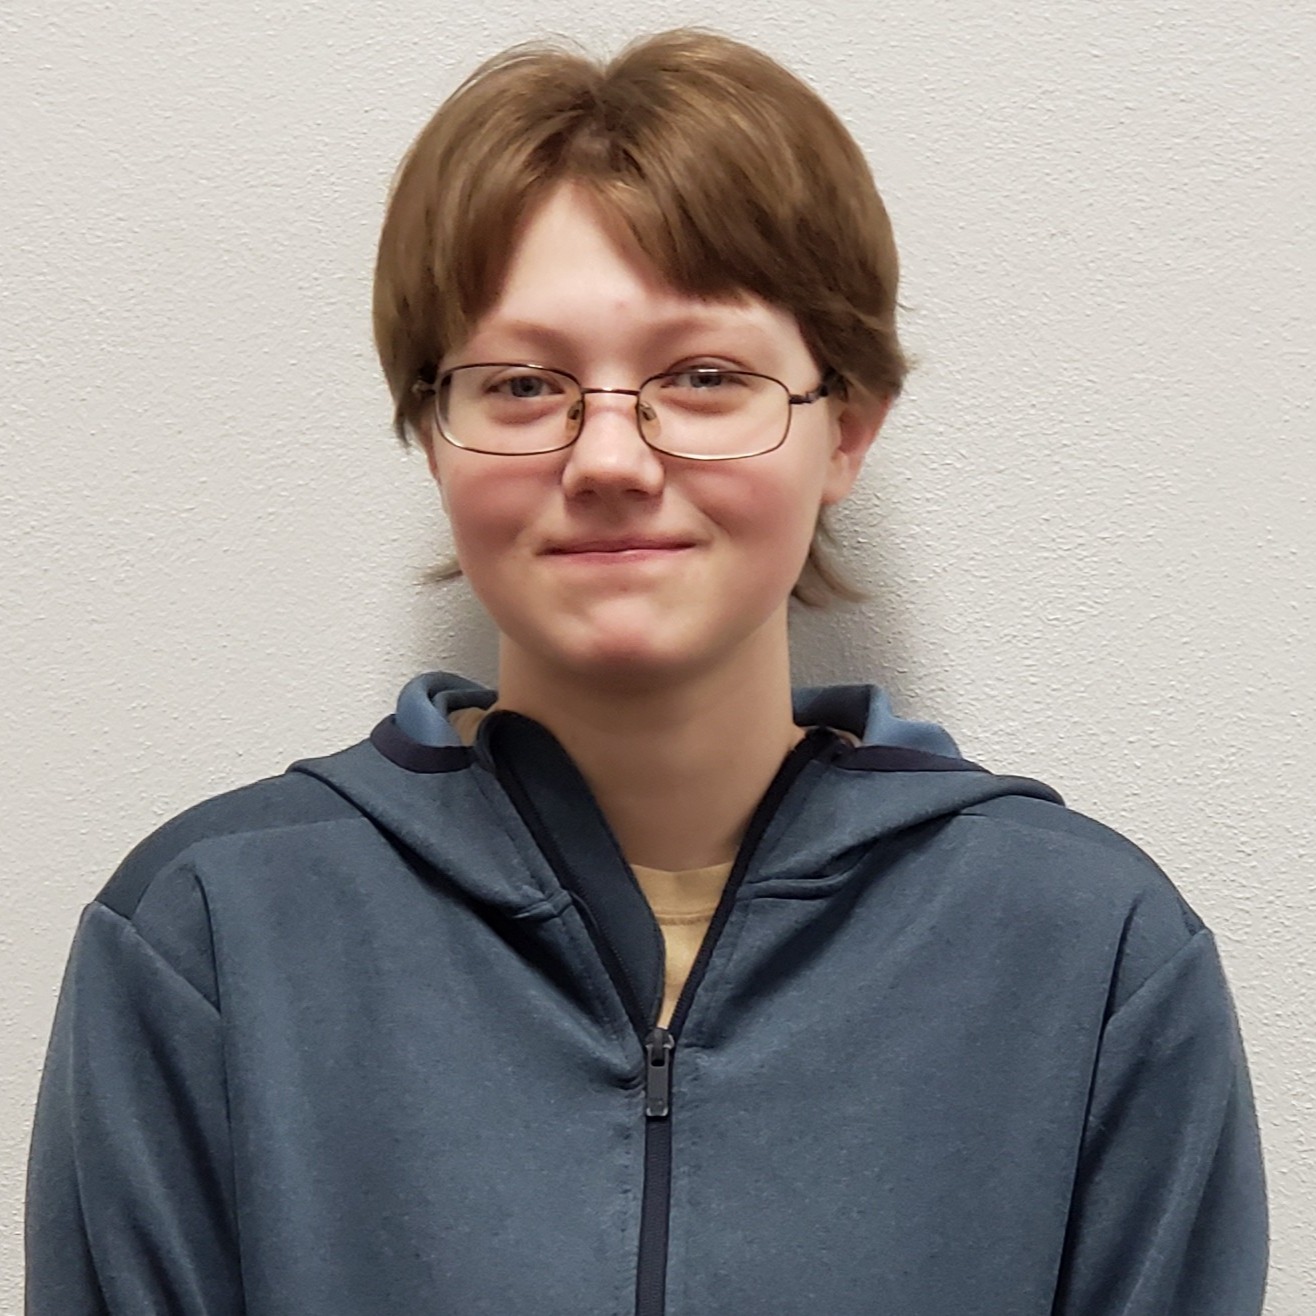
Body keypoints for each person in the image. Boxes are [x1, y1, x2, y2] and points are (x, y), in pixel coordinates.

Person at [26, 28, 1267, 1316]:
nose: (609, 455)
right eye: (522, 382)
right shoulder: (210, 934)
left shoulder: (1092, 953)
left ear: (845, 429)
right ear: (432, 434)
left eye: (706, 376)